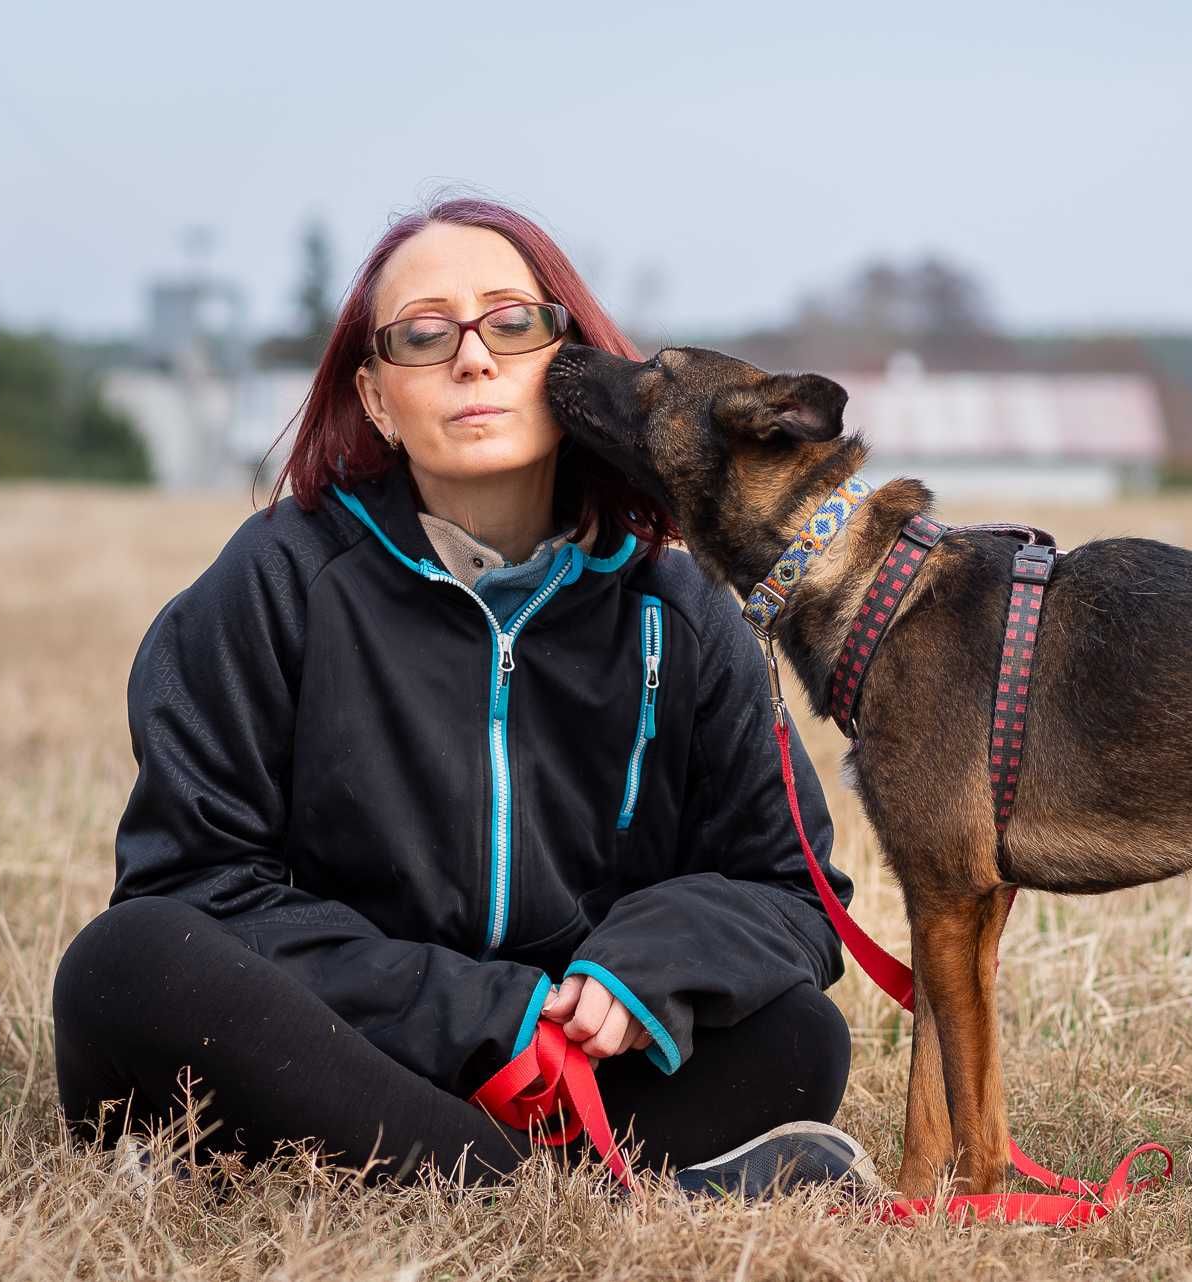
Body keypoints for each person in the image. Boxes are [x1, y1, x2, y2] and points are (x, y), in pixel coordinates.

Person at [50, 196, 870, 1197]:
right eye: (424, 336)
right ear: (379, 397)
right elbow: (193, 883)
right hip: (333, 1039)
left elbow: (795, 894)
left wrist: (639, 970)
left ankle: (426, 1177)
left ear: (571, 364)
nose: (472, 360)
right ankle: (555, 1194)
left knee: (799, 1037)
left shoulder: (683, 608)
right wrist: (484, 1010)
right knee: (125, 964)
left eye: (510, 323)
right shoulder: (275, 580)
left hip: (569, 1062)